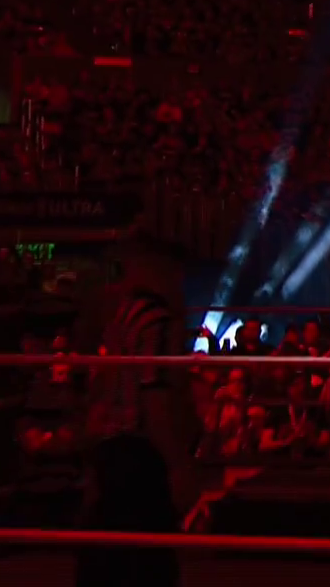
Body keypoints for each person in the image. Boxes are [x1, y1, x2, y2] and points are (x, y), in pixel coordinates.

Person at [76, 238, 200, 587]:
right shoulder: (156, 321)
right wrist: (178, 464)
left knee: (112, 555)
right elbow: (154, 393)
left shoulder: (121, 314)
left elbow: (104, 384)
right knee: (147, 558)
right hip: (139, 452)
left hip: (114, 446)